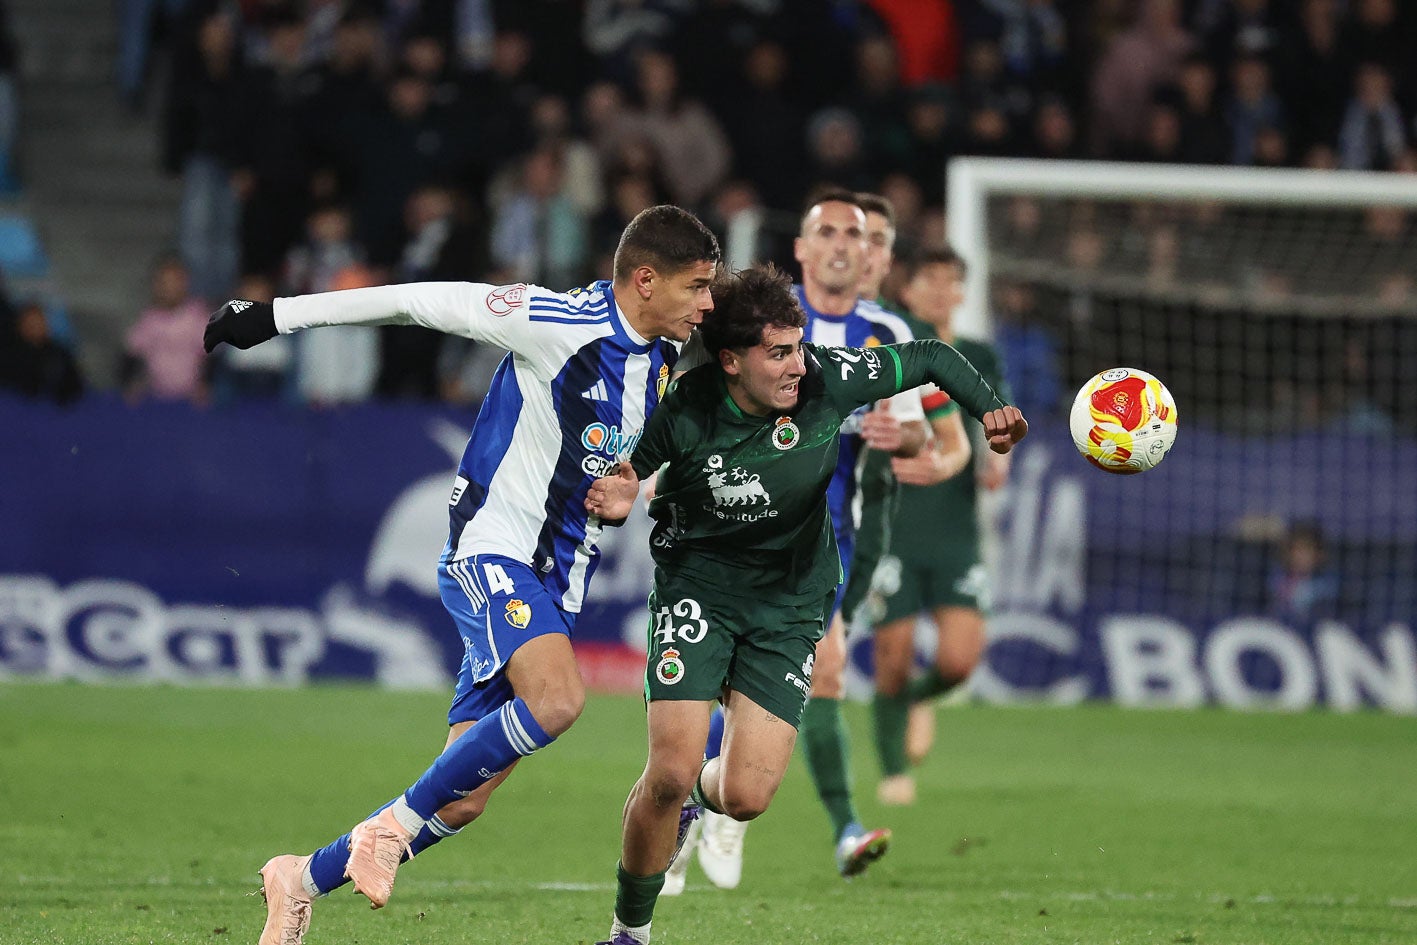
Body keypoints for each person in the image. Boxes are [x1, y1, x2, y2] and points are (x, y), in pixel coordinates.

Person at [202, 205, 721, 945]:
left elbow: (610, 459)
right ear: (645, 279)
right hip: (492, 547)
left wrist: (626, 487)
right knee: (560, 698)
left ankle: (302, 875)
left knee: (465, 793)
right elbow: (418, 300)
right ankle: (385, 831)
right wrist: (277, 316)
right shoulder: (551, 319)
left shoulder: (664, 356)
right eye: (697, 286)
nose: (706, 302)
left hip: (558, 576)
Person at [584, 263, 1027, 945]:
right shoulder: (687, 407)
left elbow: (931, 355)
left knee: (746, 795)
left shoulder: (827, 376)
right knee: (667, 771)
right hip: (699, 589)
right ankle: (629, 931)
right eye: (778, 353)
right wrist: (618, 495)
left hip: (791, 602)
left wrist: (988, 406)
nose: (797, 364)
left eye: (797, 347)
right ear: (730, 360)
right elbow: (626, 477)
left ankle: (694, 803)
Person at [685, 190, 931, 890]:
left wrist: (902, 433)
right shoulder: (757, 318)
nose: (840, 244)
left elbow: (914, 426)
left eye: (853, 233)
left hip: (826, 538)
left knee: (814, 672)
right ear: (801, 246)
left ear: (869, 250)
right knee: (741, 683)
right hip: (738, 521)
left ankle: (718, 810)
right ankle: (698, 803)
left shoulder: (885, 330)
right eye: (825, 231)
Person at [862, 247, 1014, 806]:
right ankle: (893, 769)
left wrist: (1000, 457)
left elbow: (997, 418)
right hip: (896, 517)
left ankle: (920, 700)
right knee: (892, 657)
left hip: (955, 525)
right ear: (910, 288)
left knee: (958, 661)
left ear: (962, 292)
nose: (941, 290)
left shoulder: (978, 354)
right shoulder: (893, 345)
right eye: (931, 279)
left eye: (953, 281)